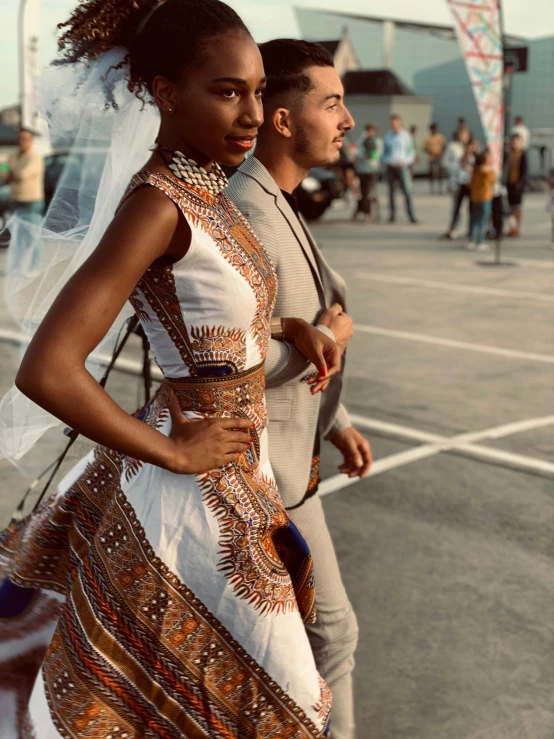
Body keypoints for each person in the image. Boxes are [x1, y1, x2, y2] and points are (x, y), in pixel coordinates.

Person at [0, 1, 337, 736]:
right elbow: (48, 368)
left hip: (239, 478)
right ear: (164, 93)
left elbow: (196, 310)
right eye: (226, 91)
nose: (251, 112)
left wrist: (289, 327)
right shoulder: (158, 205)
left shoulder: (205, 194)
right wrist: (173, 451)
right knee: (279, 701)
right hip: (190, 494)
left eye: (255, 90)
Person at [227, 39, 373, 739]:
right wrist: (332, 340)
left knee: (288, 645)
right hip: (265, 475)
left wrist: (336, 419)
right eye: (332, 102)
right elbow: (227, 362)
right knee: (331, 634)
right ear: (282, 120)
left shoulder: (274, 199)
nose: (347, 119)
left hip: (295, 455)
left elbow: (295, 330)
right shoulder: (249, 211)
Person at [3, 128, 45, 272]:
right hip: (16, 201)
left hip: (31, 202)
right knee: (18, 236)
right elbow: (3, 172)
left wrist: (11, 174)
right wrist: (9, 174)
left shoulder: (35, 157)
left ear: (31, 141)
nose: (22, 142)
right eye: (20, 139)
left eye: (25, 139)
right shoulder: (13, 156)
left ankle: (35, 266)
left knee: (33, 235)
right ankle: (17, 266)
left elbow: (23, 174)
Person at [382, 114, 418, 224]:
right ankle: (392, 215)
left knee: (407, 191)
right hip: (391, 166)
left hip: (403, 166)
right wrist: (388, 161)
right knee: (391, 192)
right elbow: (384, 154)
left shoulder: (406, 137)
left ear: (400, 123)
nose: (394, 125)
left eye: (396, 123)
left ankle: (411, 215)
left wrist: (406, 162)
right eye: (392, 123)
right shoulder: (387, 137)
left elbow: (411, 151)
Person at [441, 131, 476, 239]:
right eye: (461, 135)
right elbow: (445, 162)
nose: (463, 137)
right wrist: (458, 166)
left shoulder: (474, 149)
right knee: (456, 207)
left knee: (472, 208)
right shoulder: (453, 147)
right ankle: (454, 229)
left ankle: (471, 230)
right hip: (457, 182)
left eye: (465, 135)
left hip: (470, 182)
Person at [352, 121, 382, 222]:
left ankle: (367, 213)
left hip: (372, 170)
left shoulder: (377, 141)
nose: (370, 133)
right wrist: (364, 154)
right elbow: (357, 152)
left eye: (371, 131)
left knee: (369, 193)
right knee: (363, 193)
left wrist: (370, 154)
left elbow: (377, 155)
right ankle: (361, 211)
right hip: (362, 170)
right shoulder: (361, 141)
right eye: (368, 131)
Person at [468, 149, 496, 250]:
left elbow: (470, 184)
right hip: (485, 197)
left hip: (475, 197)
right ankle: (480, 240)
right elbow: (493, 180)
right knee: (483, 220)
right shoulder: (488, 171)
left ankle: (472, 239)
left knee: (474, 219)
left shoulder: (475, 170)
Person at [504, 132, 528, 237]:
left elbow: (525, 171)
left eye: (517, 141)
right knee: (508, 207)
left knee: (517, 207)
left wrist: (521, 183)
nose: (515, 143)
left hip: (518, 184)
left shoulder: (523, 154)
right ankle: (511, 226)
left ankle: (517, 227)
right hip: (509, 183)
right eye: (513, 141)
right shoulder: (508, 153)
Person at [423, 122, 446, 194]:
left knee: (440, 173)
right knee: (431, 173)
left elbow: (444, 145)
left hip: (439, 157)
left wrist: (441, 153)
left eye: (435, 128)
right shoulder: (428, 138)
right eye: (433, 129)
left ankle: (440, 188)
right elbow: (424, 148)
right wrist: (431, 152)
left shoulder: (440, 137)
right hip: (431, 157)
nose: (434, 130)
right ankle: (432, 188)